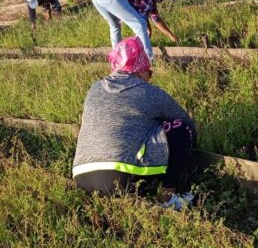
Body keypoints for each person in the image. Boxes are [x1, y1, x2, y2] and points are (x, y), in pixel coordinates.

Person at [72, 36, 197, 207]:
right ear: (138, 70)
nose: (149, 77)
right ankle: (167, 197)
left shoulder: (94, 88)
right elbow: (186, 121)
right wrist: (188, 156)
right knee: (180, 128)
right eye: (149, 72)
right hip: (118, 178)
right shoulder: (149, 92)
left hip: (82, 177)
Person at [91, 0, 177, 61]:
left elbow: (156, 19)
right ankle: (148, 59)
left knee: (115, 25)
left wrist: (172, 37)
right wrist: (147, 28)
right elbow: (141, 19)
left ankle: (117, 58)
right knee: (139, 25)